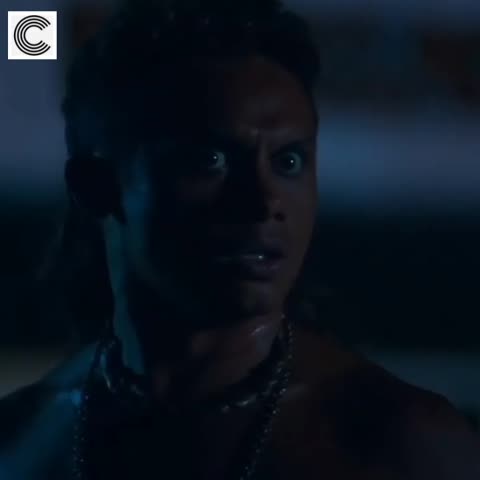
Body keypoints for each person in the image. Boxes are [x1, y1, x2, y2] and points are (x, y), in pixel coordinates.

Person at [1, 0, 479, 479]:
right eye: (210, 160)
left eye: (288, 161)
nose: (263, 202)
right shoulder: (26, 438)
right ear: (97, 186)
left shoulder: (400, 444)